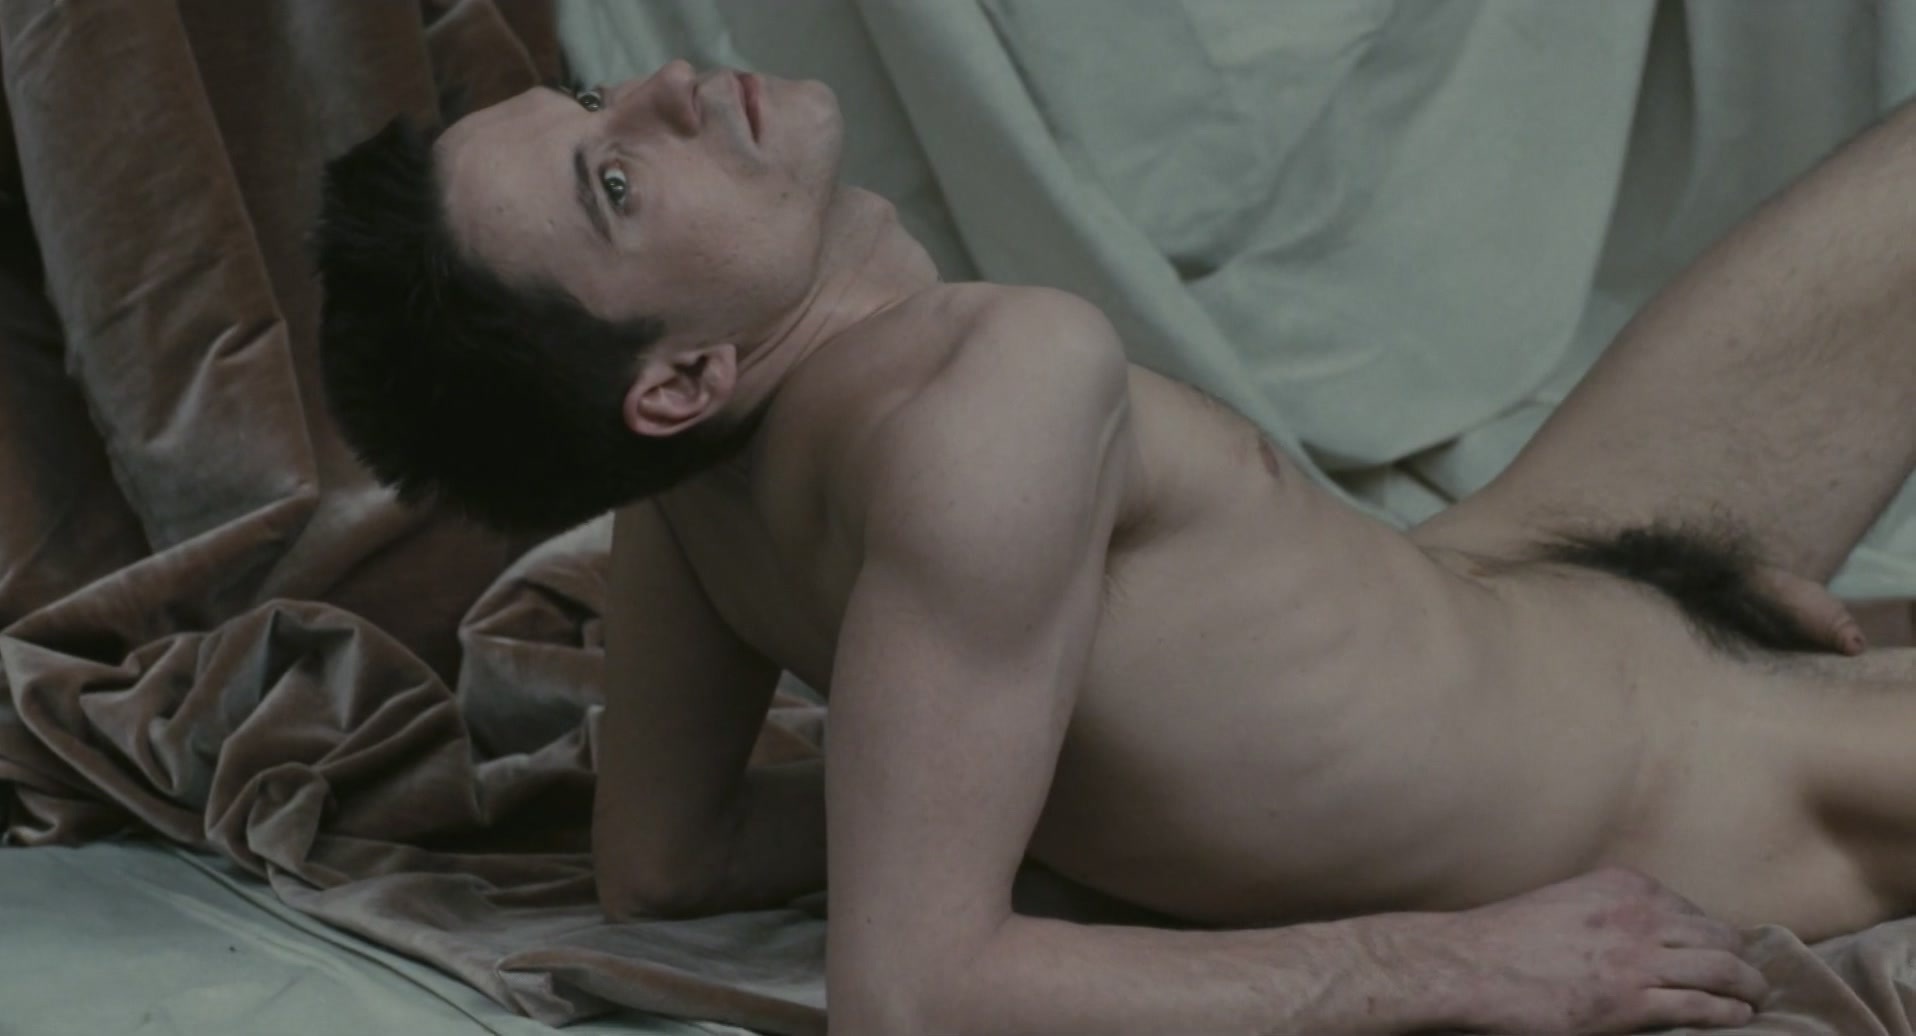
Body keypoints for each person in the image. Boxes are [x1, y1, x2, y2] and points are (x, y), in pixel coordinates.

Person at [313, 56, 1916, 1035]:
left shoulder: (683, 487)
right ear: (678, 379)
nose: (664, 91)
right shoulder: (991, 395)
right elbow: (913, 997)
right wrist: (1449, 967)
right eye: (615, 183)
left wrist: (992, 798)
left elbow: (665, 862)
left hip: (1525, 570)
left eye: (593, 101)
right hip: (1698, 772)